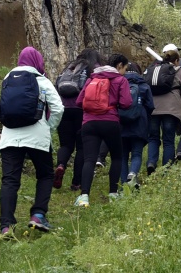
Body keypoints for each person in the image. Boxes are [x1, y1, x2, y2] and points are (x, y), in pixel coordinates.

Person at [0, 46, 64, 239]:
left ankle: (6, 226)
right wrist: (48, 127)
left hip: (10, 137)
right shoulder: (41, 80)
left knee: (9, 180)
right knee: (45, 175)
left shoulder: (7, 80)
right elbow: (58, 108)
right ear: (37, 61)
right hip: (37, 136)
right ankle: (38, 215)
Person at [76, 53, 134, 206]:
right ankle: (113, 194)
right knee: (116, 157)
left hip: (89, 123)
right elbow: (126, 103)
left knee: (89, 159)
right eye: (125, 68)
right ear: (119, 65)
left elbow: (79, 101)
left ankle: (84, 197)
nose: (125, 72)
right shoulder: (120, 80)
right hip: (110, 122)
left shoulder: (92, 78)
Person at [53, 48, 102, 190]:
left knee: (65, 145)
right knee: (82, 148)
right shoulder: (93, 69)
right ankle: (76, 183)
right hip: (82, 111)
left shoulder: (69, 68)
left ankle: (61, 165)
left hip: (64, 110)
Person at [147, 45, 181, 171]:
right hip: (171, 111)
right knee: (168, 140)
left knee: (153, 138)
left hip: (153, 110)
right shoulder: (180, 72)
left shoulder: (153, 70)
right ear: (177, 60)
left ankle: (151, 163)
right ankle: (166, 168)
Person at [120, 59, 155, 183]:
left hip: (121, 125)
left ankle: (123, 183)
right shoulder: (143, 85)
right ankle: (133, 173)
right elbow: (151, 106)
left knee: (122, 156)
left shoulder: (118, 84)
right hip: (139, 124)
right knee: (136, 153)